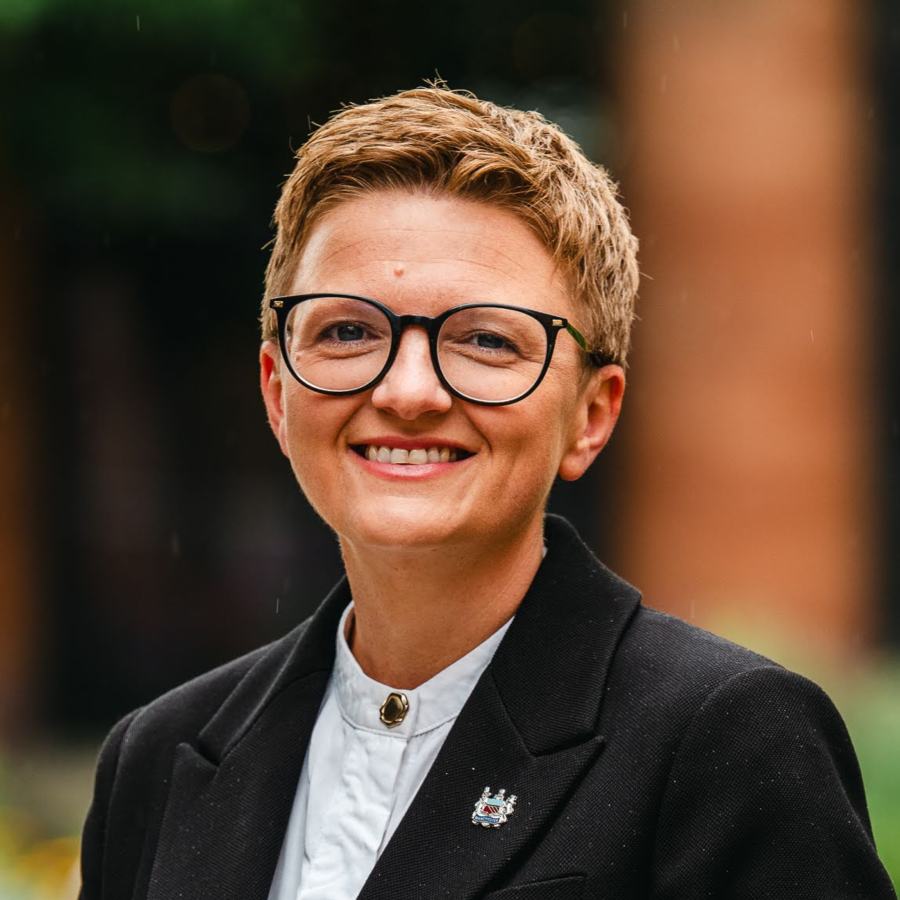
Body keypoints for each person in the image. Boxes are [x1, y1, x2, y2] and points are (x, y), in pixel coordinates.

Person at [79, 86, 897, 900]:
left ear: (592, 415)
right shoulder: (155, 759)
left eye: (485, 340)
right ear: (276, 392)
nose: (407, 392)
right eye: (348, 331)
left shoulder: (727, 741)